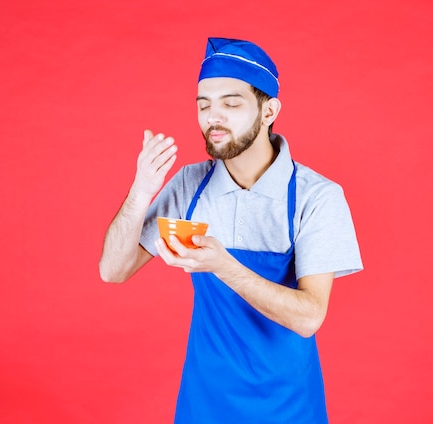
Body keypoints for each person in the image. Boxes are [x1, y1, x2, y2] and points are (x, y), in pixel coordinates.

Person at [99, 37, 363, 424]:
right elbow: (113, 270)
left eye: (231, 103)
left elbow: (308, 317)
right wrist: (140, 193)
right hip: (203, 405)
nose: (213, 117)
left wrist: (223, 265)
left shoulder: (316, 197)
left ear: (269, 109)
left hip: (288, 407)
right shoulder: (190, 185)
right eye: (204, 105)